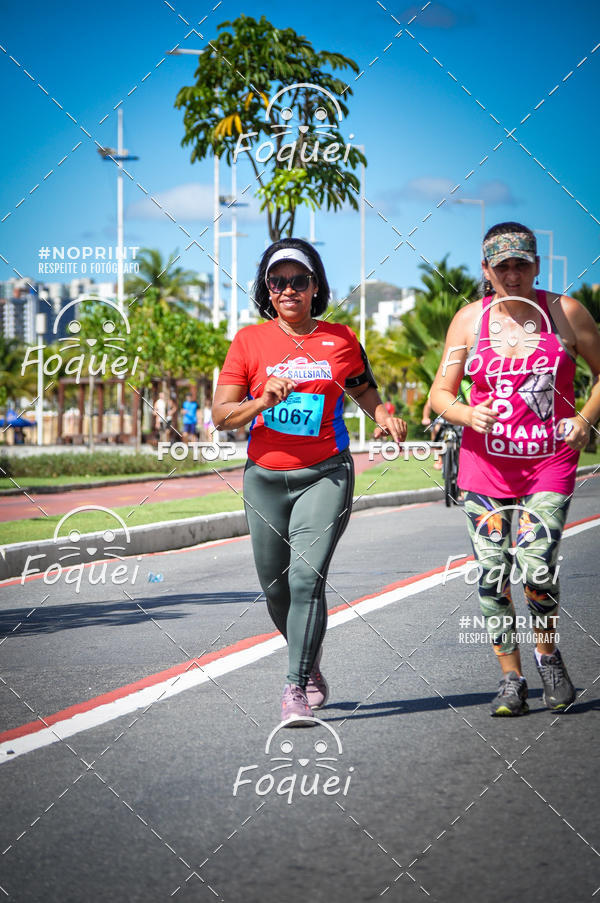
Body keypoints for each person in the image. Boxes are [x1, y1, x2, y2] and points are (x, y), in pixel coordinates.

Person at [212, 238, 407, 726]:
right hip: (264, 480)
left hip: (325, 473)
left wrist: (382, 413)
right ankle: (311, 662)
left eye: (299, 281)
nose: (289, 290)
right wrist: (262, 400)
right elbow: (221, 418)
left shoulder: (341, 338)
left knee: (305, 578)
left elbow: (365, 388)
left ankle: (295, 687)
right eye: (278, 282)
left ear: (315, 286)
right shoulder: (249, 342)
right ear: (267, 290)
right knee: (276, 588)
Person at [430, 221, 600, 716]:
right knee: (490, 575)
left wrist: (585, 419)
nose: (512, 274)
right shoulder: (468, 321)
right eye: (501, 265)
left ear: (537, 265)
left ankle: (548, 658)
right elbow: (440, 394)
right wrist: (464, 413)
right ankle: (511, 679)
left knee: (537, 565)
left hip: (548, 461)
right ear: (486, 269)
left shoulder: (564, 313)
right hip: (485, 467)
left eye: (521, 264)